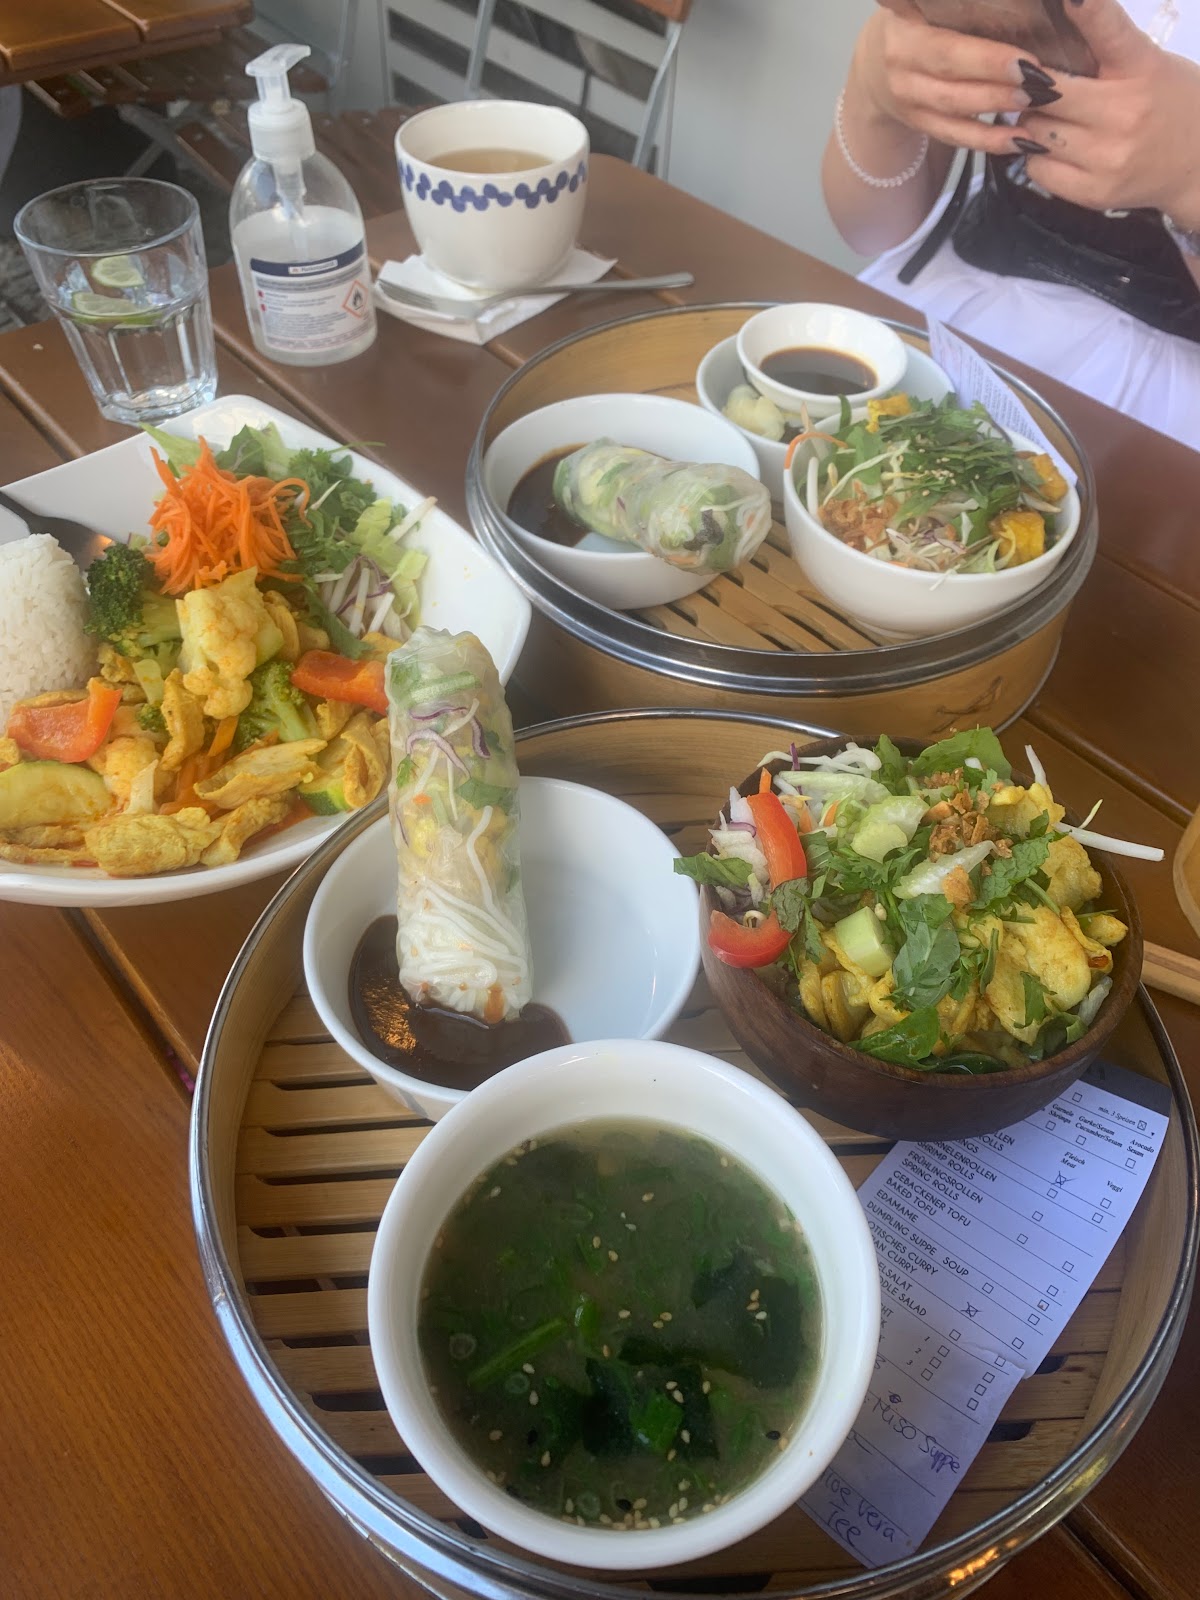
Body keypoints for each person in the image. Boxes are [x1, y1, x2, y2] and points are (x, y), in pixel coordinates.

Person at [824, 0, 1200, 450]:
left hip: (1162, 421)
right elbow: (871, 231)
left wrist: (1190, 183)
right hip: (955, 315)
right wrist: (873, 89)